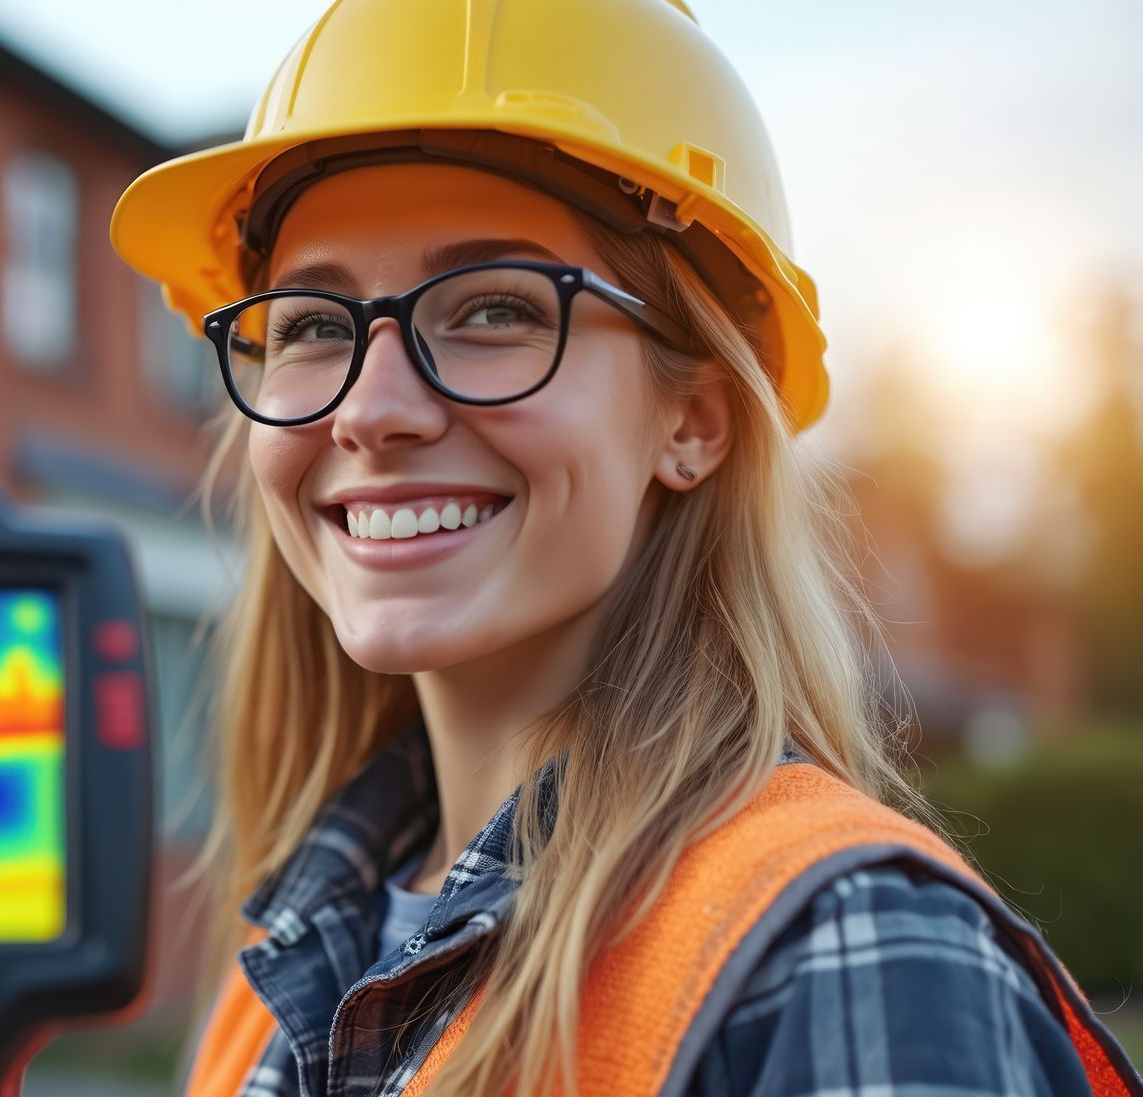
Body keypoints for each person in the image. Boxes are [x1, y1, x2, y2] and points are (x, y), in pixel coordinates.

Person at [109, 1, 1143, 1094]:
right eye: (316, 325)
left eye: (494, 310)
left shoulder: (848, 952)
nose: (370, 410)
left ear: (692, 421)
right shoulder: (286, 958)